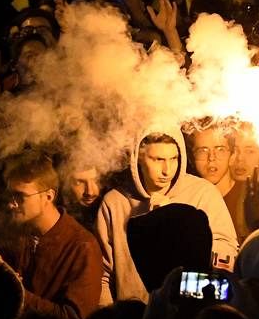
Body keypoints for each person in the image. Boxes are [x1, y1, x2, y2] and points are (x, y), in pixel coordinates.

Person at [96, 127, 238, 305]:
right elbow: (102, 274)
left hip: (188, 311)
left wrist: (175, 223)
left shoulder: (203, 193)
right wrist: (111, 316)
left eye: (174, 158)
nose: (167, 170)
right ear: (139, 157)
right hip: (134, 316)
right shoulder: (115, 202)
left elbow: (225, 259)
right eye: (158, 159)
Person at [0, 150, 103, 319]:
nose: (11, 204)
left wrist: (18, 292)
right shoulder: (20, 232)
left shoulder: (82, 246)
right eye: (11, 195)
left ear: (48, 196)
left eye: (20, 197)